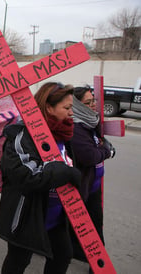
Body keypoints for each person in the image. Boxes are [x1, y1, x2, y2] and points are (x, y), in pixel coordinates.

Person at [0, 82, 82, 274]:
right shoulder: (21, 136)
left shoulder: (64, 134)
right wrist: (66, 172)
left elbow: (70, 165)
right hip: (28, 215)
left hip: (57, 215)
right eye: (66, 108)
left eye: (72, 108)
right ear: (49, 108)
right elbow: (26, 176)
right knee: (18, 262)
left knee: (63, 255)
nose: (71, 113)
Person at [70, 86, 115, 271]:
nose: (93, 105)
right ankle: (98, 265)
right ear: (77, 106)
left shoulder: (91, 122)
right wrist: (107, 151)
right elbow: (89, 156)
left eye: (94, 101)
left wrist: (103, 147)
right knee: (92, 227)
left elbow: (99, 144)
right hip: (81, 186)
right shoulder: (76, 127)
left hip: (93, 184)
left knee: (95, 223)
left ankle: (84, 255)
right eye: (88, 103)